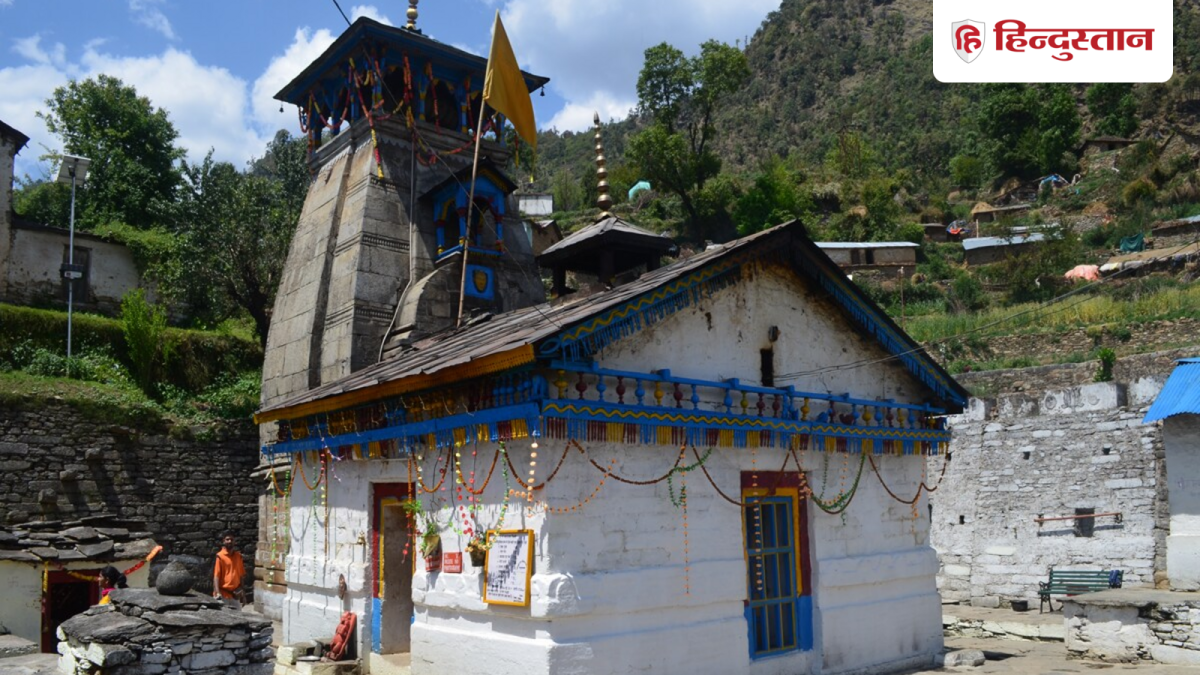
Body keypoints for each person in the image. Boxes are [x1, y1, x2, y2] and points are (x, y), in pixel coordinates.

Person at [212, 530, 246, 608]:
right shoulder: (220, 556)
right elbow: (216, 576)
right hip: (223, 595)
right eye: (227, 539)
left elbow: (241, 576)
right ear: (223, 541)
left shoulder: (238, 556)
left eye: (231, 539)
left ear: (234, 541)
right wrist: (217, 593)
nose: (229, 541)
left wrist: (243, 594)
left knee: (238, 615)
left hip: (235, 595)